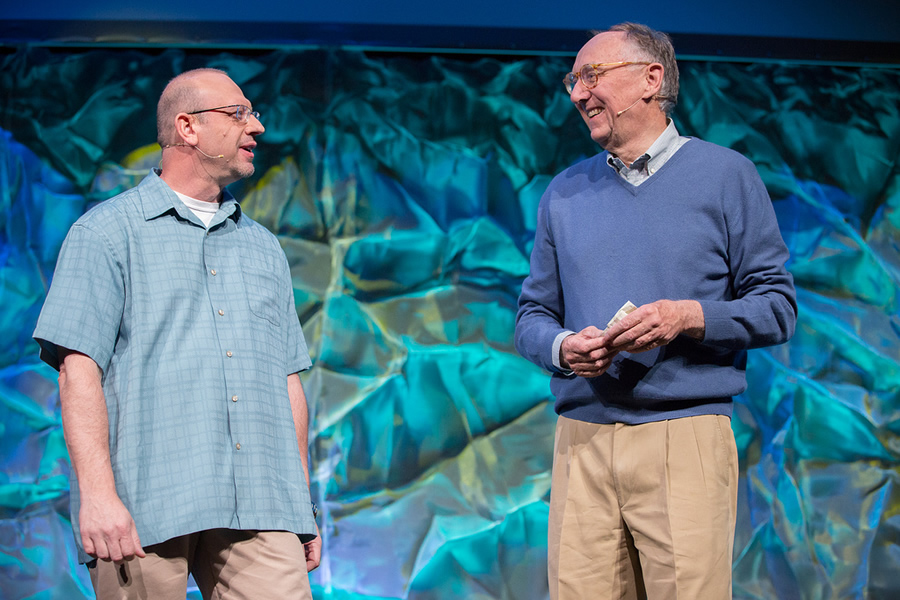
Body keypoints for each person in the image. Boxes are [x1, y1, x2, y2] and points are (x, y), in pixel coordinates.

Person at [515, 23, 797, 600]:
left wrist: (689, 316)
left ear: (652, 79)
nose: (576, 93)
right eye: (573, 80)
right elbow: (531, 317)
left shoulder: (725, 176)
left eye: (592, 75)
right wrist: (563, 349)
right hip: (582, 439)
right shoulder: (563, 193)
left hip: (684, 436)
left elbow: (777, 307)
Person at [33, 68, 321, 599]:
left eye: (253, 113)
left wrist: (299, 500)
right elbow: (79, 373)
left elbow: (287, 381)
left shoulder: (263, 248)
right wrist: (97, 496)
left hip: (262, 502)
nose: (256, 126)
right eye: (239, 113)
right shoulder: (105, 233)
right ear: (188, 128)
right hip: (146, 505)